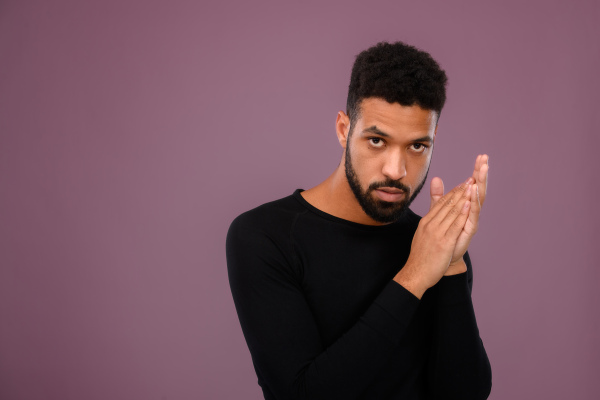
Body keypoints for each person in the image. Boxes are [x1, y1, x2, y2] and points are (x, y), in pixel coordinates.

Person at [226, 41, 492, 400]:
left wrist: (453, 266)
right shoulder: (265, 236)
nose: (396, 171)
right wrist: (414, 276)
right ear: (343, 129)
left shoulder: (437, 245)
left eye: (417, 146)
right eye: (377, 140)